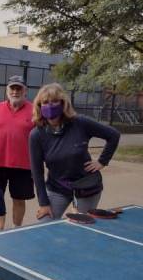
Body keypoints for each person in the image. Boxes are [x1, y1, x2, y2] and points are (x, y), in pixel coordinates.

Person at [29, 83, 120, 222]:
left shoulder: (80, 123)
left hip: (87, 186)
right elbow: (36, 171)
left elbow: (113, 135)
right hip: (57, 188)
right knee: (44, 223)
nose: (50, 105)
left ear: (63, 103)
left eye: (54, 101)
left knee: (81, 227)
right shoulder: (36, 135)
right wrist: (43, 203)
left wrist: (102, 161)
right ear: (39, 106)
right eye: (45, 102)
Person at [0, 75, 35, 228]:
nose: (15, 91)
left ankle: (16, 230)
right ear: (7, 90)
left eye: (19, 88)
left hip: (23, 165)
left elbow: (40, 138)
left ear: (25, 91)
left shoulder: (34, 110)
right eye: (12, 88)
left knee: (19, 199)